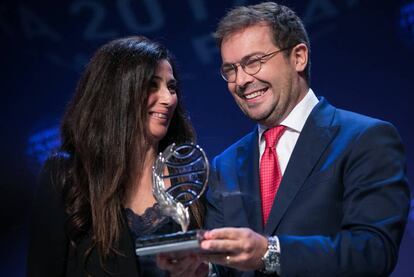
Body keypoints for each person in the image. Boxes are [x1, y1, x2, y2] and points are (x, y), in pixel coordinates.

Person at [200, 2, 411, 276]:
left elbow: (372, 251)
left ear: (298, 57)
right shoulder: (223, 165)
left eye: (253, 62)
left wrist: (270, 253)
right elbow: (221, 265)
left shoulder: (365, 139)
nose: (240, 80)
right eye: (230, 69)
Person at [27, 36, 207, 276]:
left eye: (171, 87)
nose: (168, 99)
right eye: (152, 85)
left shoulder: (187, 175)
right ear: (118, 92)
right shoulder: (67, 175)